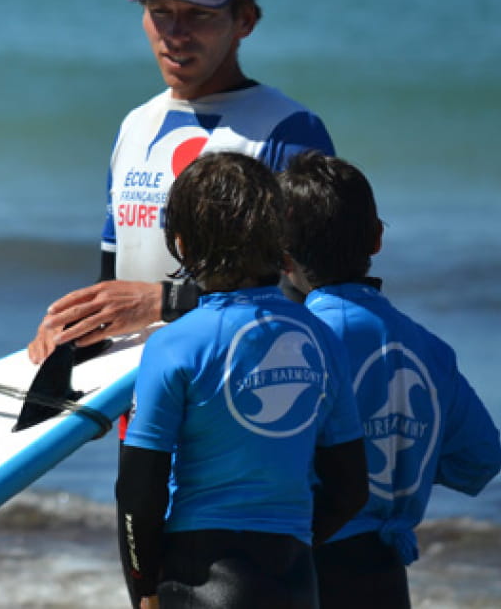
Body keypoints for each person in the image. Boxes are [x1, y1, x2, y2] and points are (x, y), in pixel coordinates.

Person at [29, 0, 335, 364]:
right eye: (160, 13)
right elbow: (116, 285)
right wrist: (72, 328)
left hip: (246, 406)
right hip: (139, 400)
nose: (175, 35)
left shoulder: (286, 132)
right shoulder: (136, 125)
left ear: (245, 20)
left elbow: (310, 299)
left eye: (199, 15)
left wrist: (163, 302)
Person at [116, 152, 367, 608]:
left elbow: (139, 490)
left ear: (183, 246)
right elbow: (351, 488)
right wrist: (290, 537)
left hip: (201, 578)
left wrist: (145, 589)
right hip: (295, 581)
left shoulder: (175, 346)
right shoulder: (321, 337)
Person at [277, 151, 501, 609]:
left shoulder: (298, 345)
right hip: (386, 573)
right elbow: (481, 460)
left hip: (310, 566)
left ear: (282, 259)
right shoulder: (430, 349)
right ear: (377, 238)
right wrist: (406, 454)